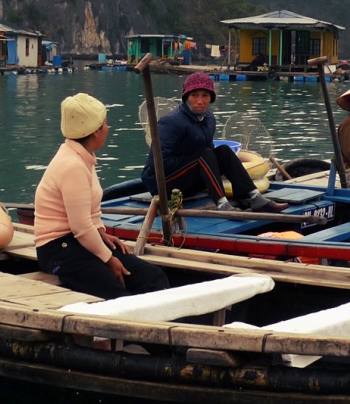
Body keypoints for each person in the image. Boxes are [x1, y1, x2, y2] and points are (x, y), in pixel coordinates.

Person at [34, 93, 169, 300]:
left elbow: (89, 214)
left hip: (77, 240)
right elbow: (80, 227)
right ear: (95, 131)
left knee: (153, 277)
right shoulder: (72, 165)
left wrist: (101, 233)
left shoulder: (83, 157)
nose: (107, 128)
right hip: (57, 249)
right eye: (105, 124)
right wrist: (108, 259)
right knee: (116, 294)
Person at [141, 72, 287, 212]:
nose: (200, 101)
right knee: (204, 154)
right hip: (163, 184)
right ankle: (222, 204)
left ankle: (253, 197)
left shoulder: (209, 119)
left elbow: (210, 153)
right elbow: (159, 165)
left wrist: (200, 161)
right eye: (194, 95)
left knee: (223, 151)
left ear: (211, 98)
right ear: (186, 97)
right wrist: (195, 159)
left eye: (205, 95)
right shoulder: (172, 122)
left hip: (189, 179)